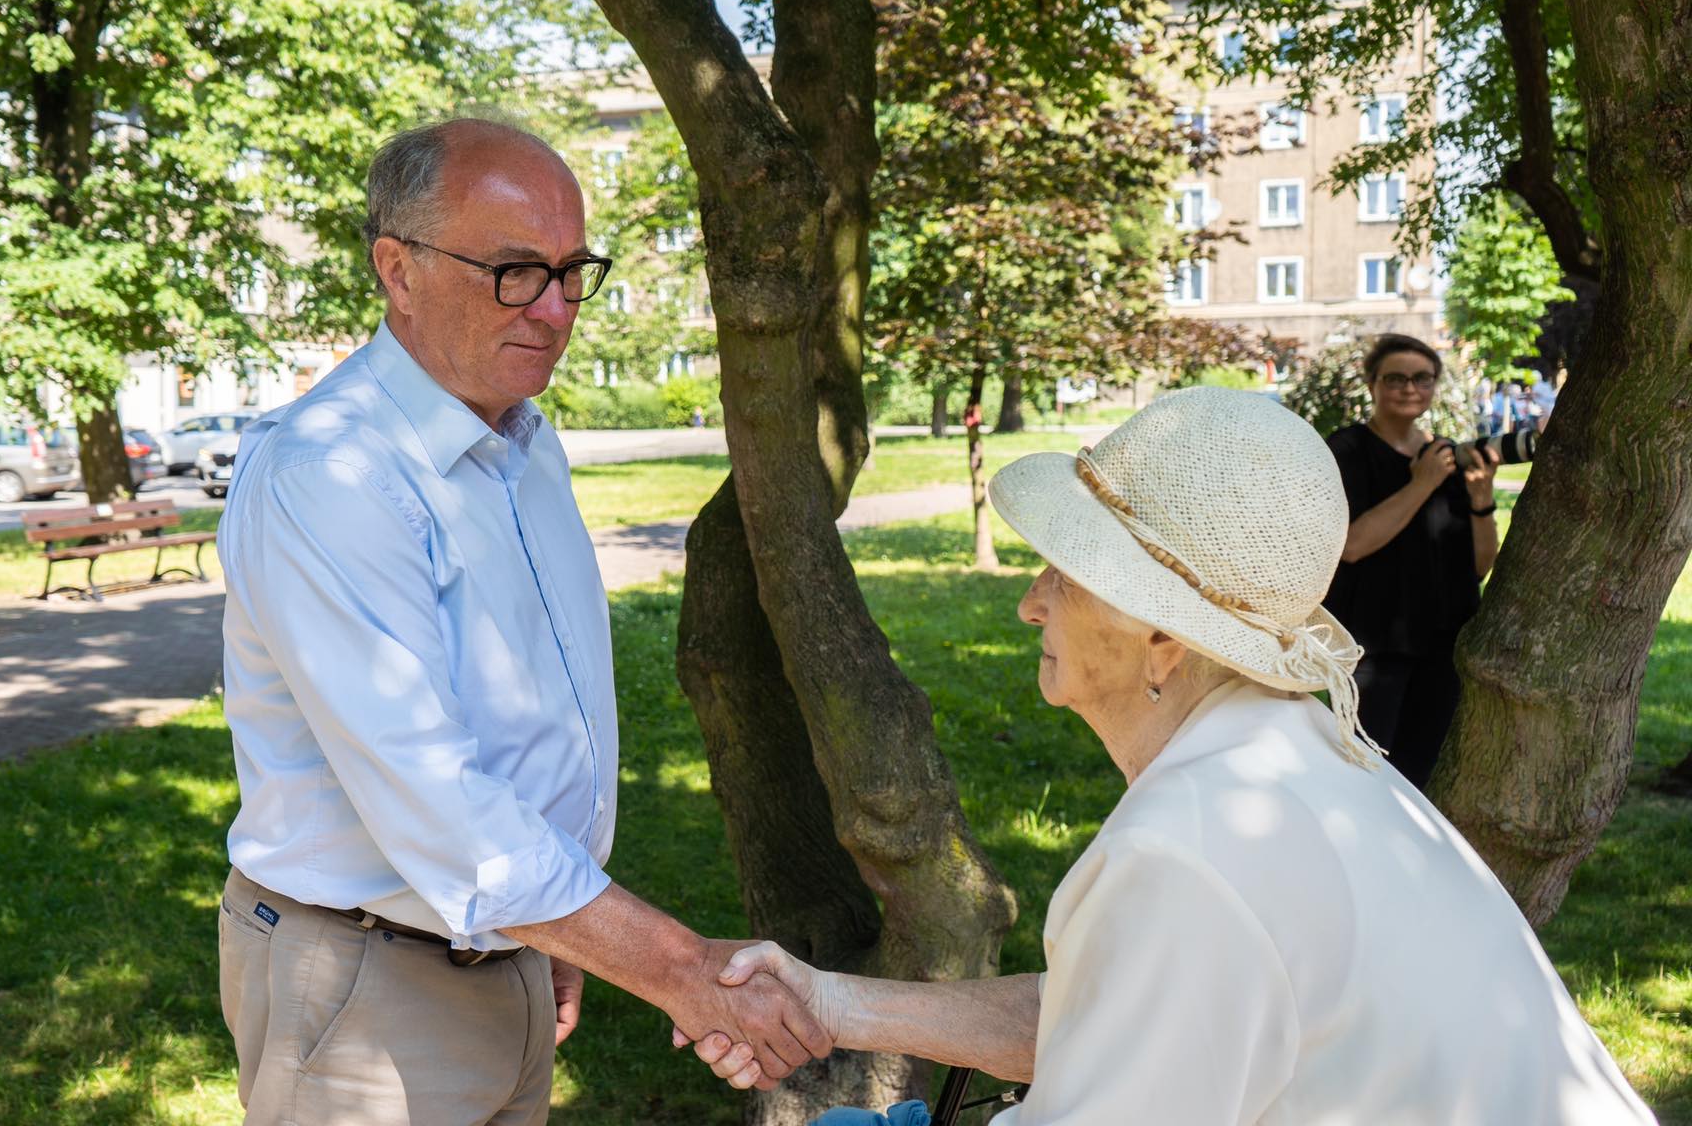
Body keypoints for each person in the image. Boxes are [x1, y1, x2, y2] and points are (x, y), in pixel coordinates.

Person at [684, 387, 1655, 1126]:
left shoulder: (1189, 848)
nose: (1030, 602)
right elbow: (1104, 1014)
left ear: (1164, 642)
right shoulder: (1287, 755)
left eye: (1064, 573)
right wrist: (826, 1002)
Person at [214, 117, 826, 1126]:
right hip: (368, 989)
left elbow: (534, 712)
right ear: (395, 267)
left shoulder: (524, 440)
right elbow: (435, 798)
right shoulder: (331, 471)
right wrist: (673, 967)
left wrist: (558, 930)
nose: (552, 309)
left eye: (569, 270)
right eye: (511, 271)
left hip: (515, 947)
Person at [1322, 334, 1498, 788]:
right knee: (1361, 772)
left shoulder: (1446, 455)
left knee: (1419, 777)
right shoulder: (1347, 450)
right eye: (1395, 378)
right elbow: (1353, 544)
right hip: (1373, 647)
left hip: (1443, 645)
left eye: (1422, 378)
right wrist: (1420, 484)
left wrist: (1481, 500)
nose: (1408, 388)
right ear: (1372, 384)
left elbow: (1478, 567)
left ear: (1435, 385)